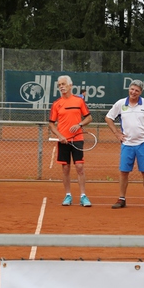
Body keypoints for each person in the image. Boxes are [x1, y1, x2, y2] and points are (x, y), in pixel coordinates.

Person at [105, 80, 144, 209]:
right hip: (127, 143)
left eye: (137, 90)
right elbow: (108, 117)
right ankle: (121, 199)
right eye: (132, 89)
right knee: (124, 172)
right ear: (129, 89)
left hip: (143, 142)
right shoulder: (121, 103)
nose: (133, 92)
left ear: (140, 92)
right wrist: (117, 133)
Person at [49, 75, 92, 207]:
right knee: (66, 168)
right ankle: (68, 195)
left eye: (63, 84)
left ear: (70, 85)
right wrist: (60, 136)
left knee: (79, 167)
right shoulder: (56, 104)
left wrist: (79, 125)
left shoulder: (79, 101)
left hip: (77, 139)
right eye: (59, 85)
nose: (61, 87)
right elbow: (51, 124)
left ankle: (83, 196)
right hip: (63, 141)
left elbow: (89, 118)